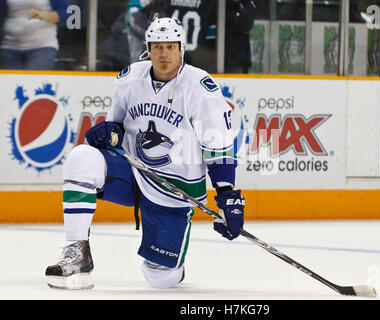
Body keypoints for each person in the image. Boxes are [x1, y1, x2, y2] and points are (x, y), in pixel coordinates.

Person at [45, 17, 245, 290]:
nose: (164, 53)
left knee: (160, 278)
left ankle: (175, 266)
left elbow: (217, 145)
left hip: (174, 190)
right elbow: (116, 127)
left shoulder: (200, 88)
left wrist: (227, 193)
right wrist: (109, 133)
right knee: (81, 158)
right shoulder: (130, 78)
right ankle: (77, 252)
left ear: (182, 49)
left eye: (171, 47)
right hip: (133, 172)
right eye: (158, 47)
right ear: (147, 49)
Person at [0, 0, 69, 70]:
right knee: (11, 80)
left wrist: (41, 15)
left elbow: (64, 13)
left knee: (34, 80)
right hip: (9, 46)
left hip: (42, 46)